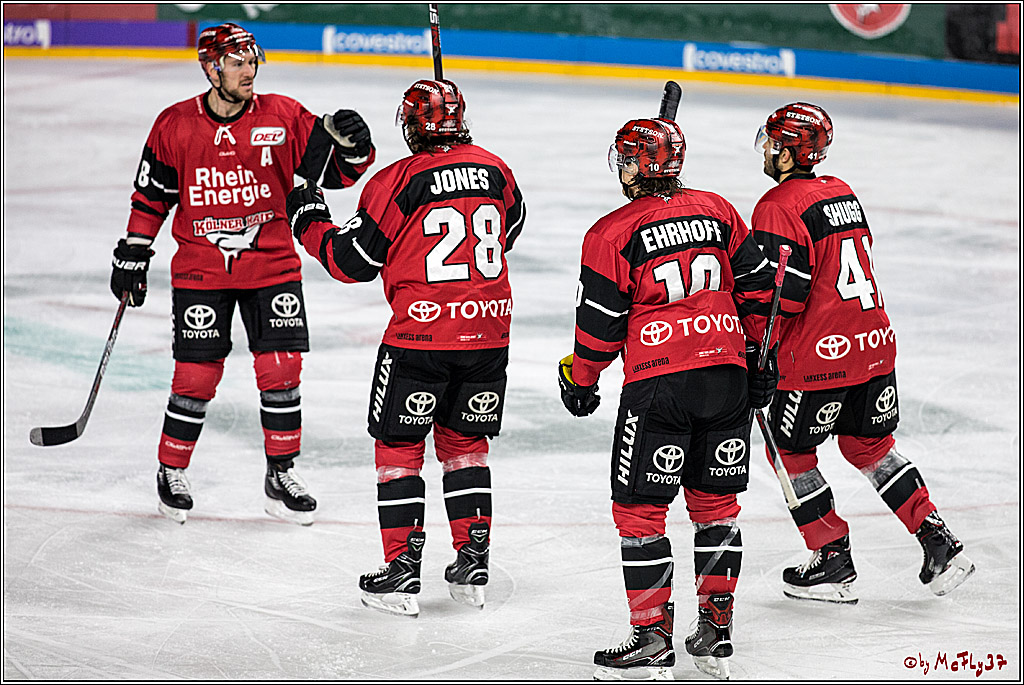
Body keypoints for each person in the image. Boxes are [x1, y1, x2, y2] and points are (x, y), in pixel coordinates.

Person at [109, 22, 375, 526]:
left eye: (253, 61)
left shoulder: (284, 115)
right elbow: (151, 199)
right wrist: (133, 253)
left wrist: (356, 148)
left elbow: (332, 174)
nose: (248, 70)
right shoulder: (174, 125)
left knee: (281, 370)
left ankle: (281, 472)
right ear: (212, 68)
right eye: (237, 62)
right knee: (195, 375)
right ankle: (171, 469)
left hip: (272, 265)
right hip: (200, 271)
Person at [286, 78, 526, 617]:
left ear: (412, 124)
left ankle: (401, 570)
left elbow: (351, 262)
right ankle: (473, 559)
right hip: (488, 332)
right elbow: (511, 225)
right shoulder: (497, 168)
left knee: (399, 451)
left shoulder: (398, 180)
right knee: (466, 446)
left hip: (420, 338)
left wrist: (308, 217)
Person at [557, 116, 777, 680]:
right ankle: (715, 631)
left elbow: (601, 324)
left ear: (636, 165)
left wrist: (581, 381)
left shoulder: (612, 232)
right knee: (716, 508)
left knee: (639, 511)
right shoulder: (720, 210)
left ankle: (653, 637)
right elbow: (756, 293)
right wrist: (758, 359)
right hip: (726, 378)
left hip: (659, 385)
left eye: (627, 158)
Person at [750, 102, 975, 604]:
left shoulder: (777, 205)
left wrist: (756, 352)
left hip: (818, 358)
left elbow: (781, 295)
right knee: (870, 448)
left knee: (790, 453)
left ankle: (831, 557)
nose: (766, 149)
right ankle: (937, 538)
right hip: (874, 345)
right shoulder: (843, 192)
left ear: (789, 152)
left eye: (773, 142)